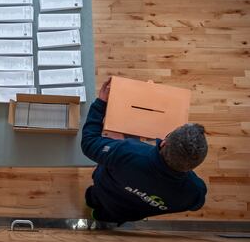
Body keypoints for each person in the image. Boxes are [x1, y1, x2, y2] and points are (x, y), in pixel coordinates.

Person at [82, 78, 208, 225]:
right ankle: (97, 216)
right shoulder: (194, 192)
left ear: (164, 143)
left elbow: (89, 143)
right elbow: (196, 203)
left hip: (104, 193)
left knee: (92, 200)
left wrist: (100, 104)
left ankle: (93, 212)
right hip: (129, 213)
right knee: (106, 215)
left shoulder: (128, 152)